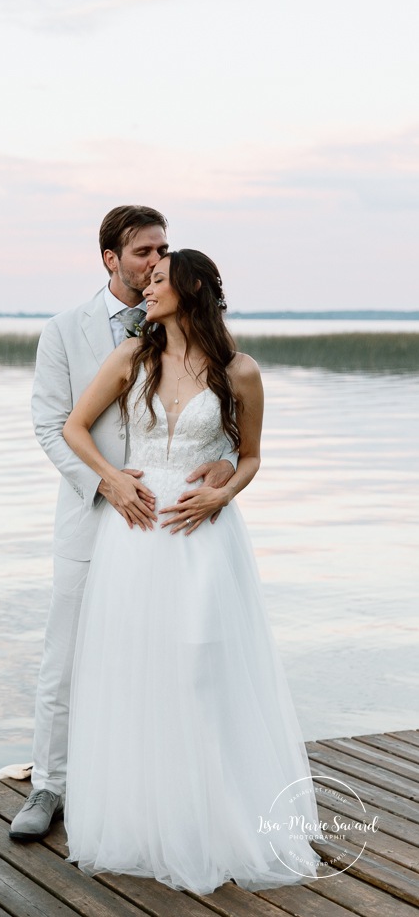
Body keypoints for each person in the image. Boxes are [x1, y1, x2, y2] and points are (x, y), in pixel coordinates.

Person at [62, 249, 319, 893]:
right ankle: (147, 817)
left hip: (203, 533)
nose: (145, 286)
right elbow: (74, 428)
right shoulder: (130, 359)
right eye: (143, 278)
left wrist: (225, 489)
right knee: (141, 669)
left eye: (158, 279)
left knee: (202, 665)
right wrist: (113, 479)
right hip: (139, 533)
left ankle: (218, 818)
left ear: (194, 287)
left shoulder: (241, 371)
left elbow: (253, 456)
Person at [9, 208, 237, 841]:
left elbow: (224, 415)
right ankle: (49, 786)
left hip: (173, 524)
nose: (154, 262)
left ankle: (146, 782)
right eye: (143, 251)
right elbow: (51, 425)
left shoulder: (185, 327)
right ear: (110, 257)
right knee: (66, 658)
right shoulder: (63, 331)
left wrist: (221, 462)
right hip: (92, 517)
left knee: (167, 655)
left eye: (162, 250)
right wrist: (104, 481)